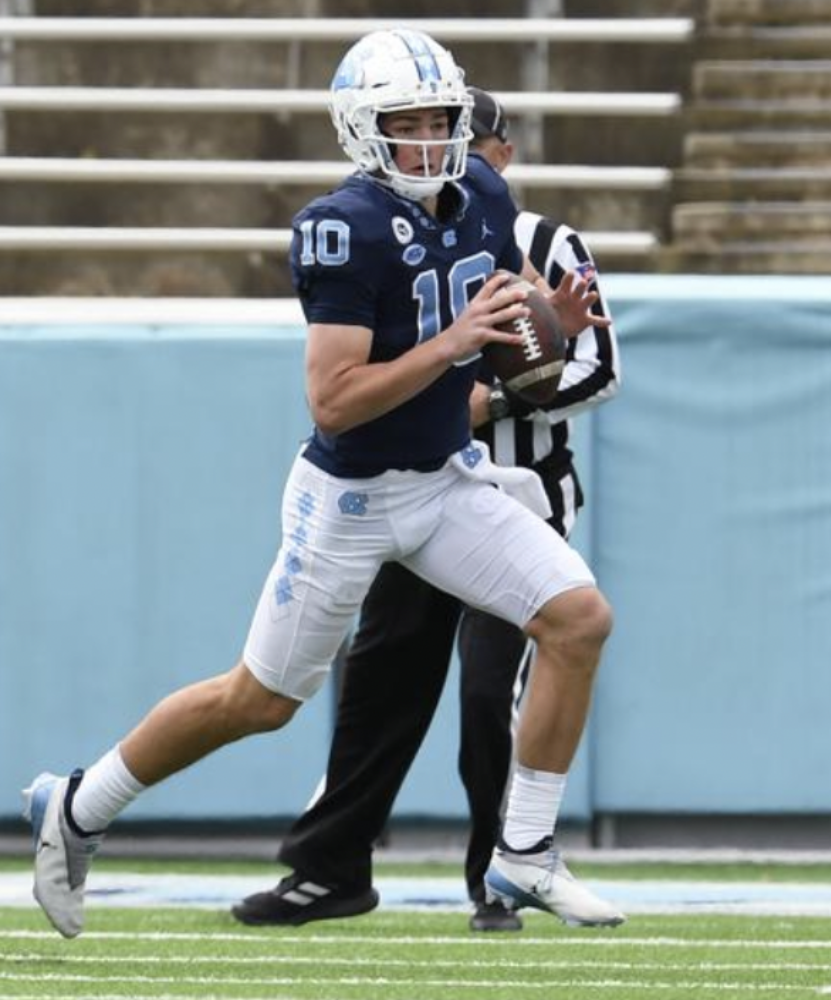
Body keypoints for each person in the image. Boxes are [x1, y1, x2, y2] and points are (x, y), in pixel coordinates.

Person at [22, 29, 624, 939]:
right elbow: (336, 400)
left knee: (579, 619)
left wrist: (549, 320)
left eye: (439, 118)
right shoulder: (342, 227)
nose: (427, 138)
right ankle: (78, 804)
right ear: (361, 129)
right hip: (351, 500)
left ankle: (524, 852)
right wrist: (456, 345)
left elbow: (507, 308)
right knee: (258, 700)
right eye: (404, 121)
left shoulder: (485, 195)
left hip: (446, 483)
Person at [231, 87, 621, 933]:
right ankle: (330, 867)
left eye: (459, 137)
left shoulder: (532, 234)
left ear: (499, 153)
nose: (440, 153)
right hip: (420, 482)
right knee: (381, 685)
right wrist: (454, 392)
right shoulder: (388, 229)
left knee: (491, 691)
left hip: (512, 496)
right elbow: (360, 379)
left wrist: (496, 393)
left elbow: (591, 366)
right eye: (416, 134)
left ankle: (502, 872)